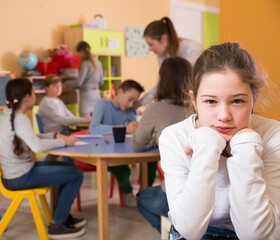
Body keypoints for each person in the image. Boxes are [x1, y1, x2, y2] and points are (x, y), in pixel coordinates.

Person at [159, 42, 280, 239]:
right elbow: (189, 230)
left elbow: (254, 234)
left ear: (254, 99)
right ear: (194, 100)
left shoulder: (274, 135)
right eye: (210, 101)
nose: (224, 115)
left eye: (237, 101)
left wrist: (246, 145)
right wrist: (206, 145)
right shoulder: (174, 137)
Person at [0, 78, 86, 239]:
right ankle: (57, 224)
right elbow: (36, 146)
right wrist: (64, 141)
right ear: (28, 97)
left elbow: (31, 137)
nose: (35, 96)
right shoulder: (20, 119)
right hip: (19, 177)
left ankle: (61, 216)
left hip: (19, 172)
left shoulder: (10, 115)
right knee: (76, 174)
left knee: (70, 171)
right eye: (34, 93)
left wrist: (53, 135)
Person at [134, 57, 191, 232]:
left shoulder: (155, 108)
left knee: (142, 199)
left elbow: (137, 145)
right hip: (208, 189)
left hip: (176, 191)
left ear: (162, 80)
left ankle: (174, 233)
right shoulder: (199, 106)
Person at [88, 79, 144, 207]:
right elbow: (93, 129)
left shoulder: (129, 111)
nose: (131, 104)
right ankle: (129, 195)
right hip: (101, 152)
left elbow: (134, 130)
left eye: (134, 101)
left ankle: (144, 194)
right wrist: (123, 128)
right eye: (130, 99)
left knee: (149, 162)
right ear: (120, 92)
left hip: (121, 150)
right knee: (122, 169)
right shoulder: (102, 104)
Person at [139, 16, 203, 106]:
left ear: (164, 39)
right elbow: (161, 84)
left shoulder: (192, 49)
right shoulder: (162, 56)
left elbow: (193, 80)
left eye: (151, 44)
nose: (149, 49)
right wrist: (140, 102)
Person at [65, 41, 104, 117]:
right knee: (95, 123)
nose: (78, 56)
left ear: (81, 51)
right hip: (96, 94)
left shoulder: (85, 63)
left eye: (78, 53)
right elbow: (101, 82)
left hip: (86, 96)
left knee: (84, 123)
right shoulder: (98, 62)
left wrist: (66, 83)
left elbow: (79, 83)